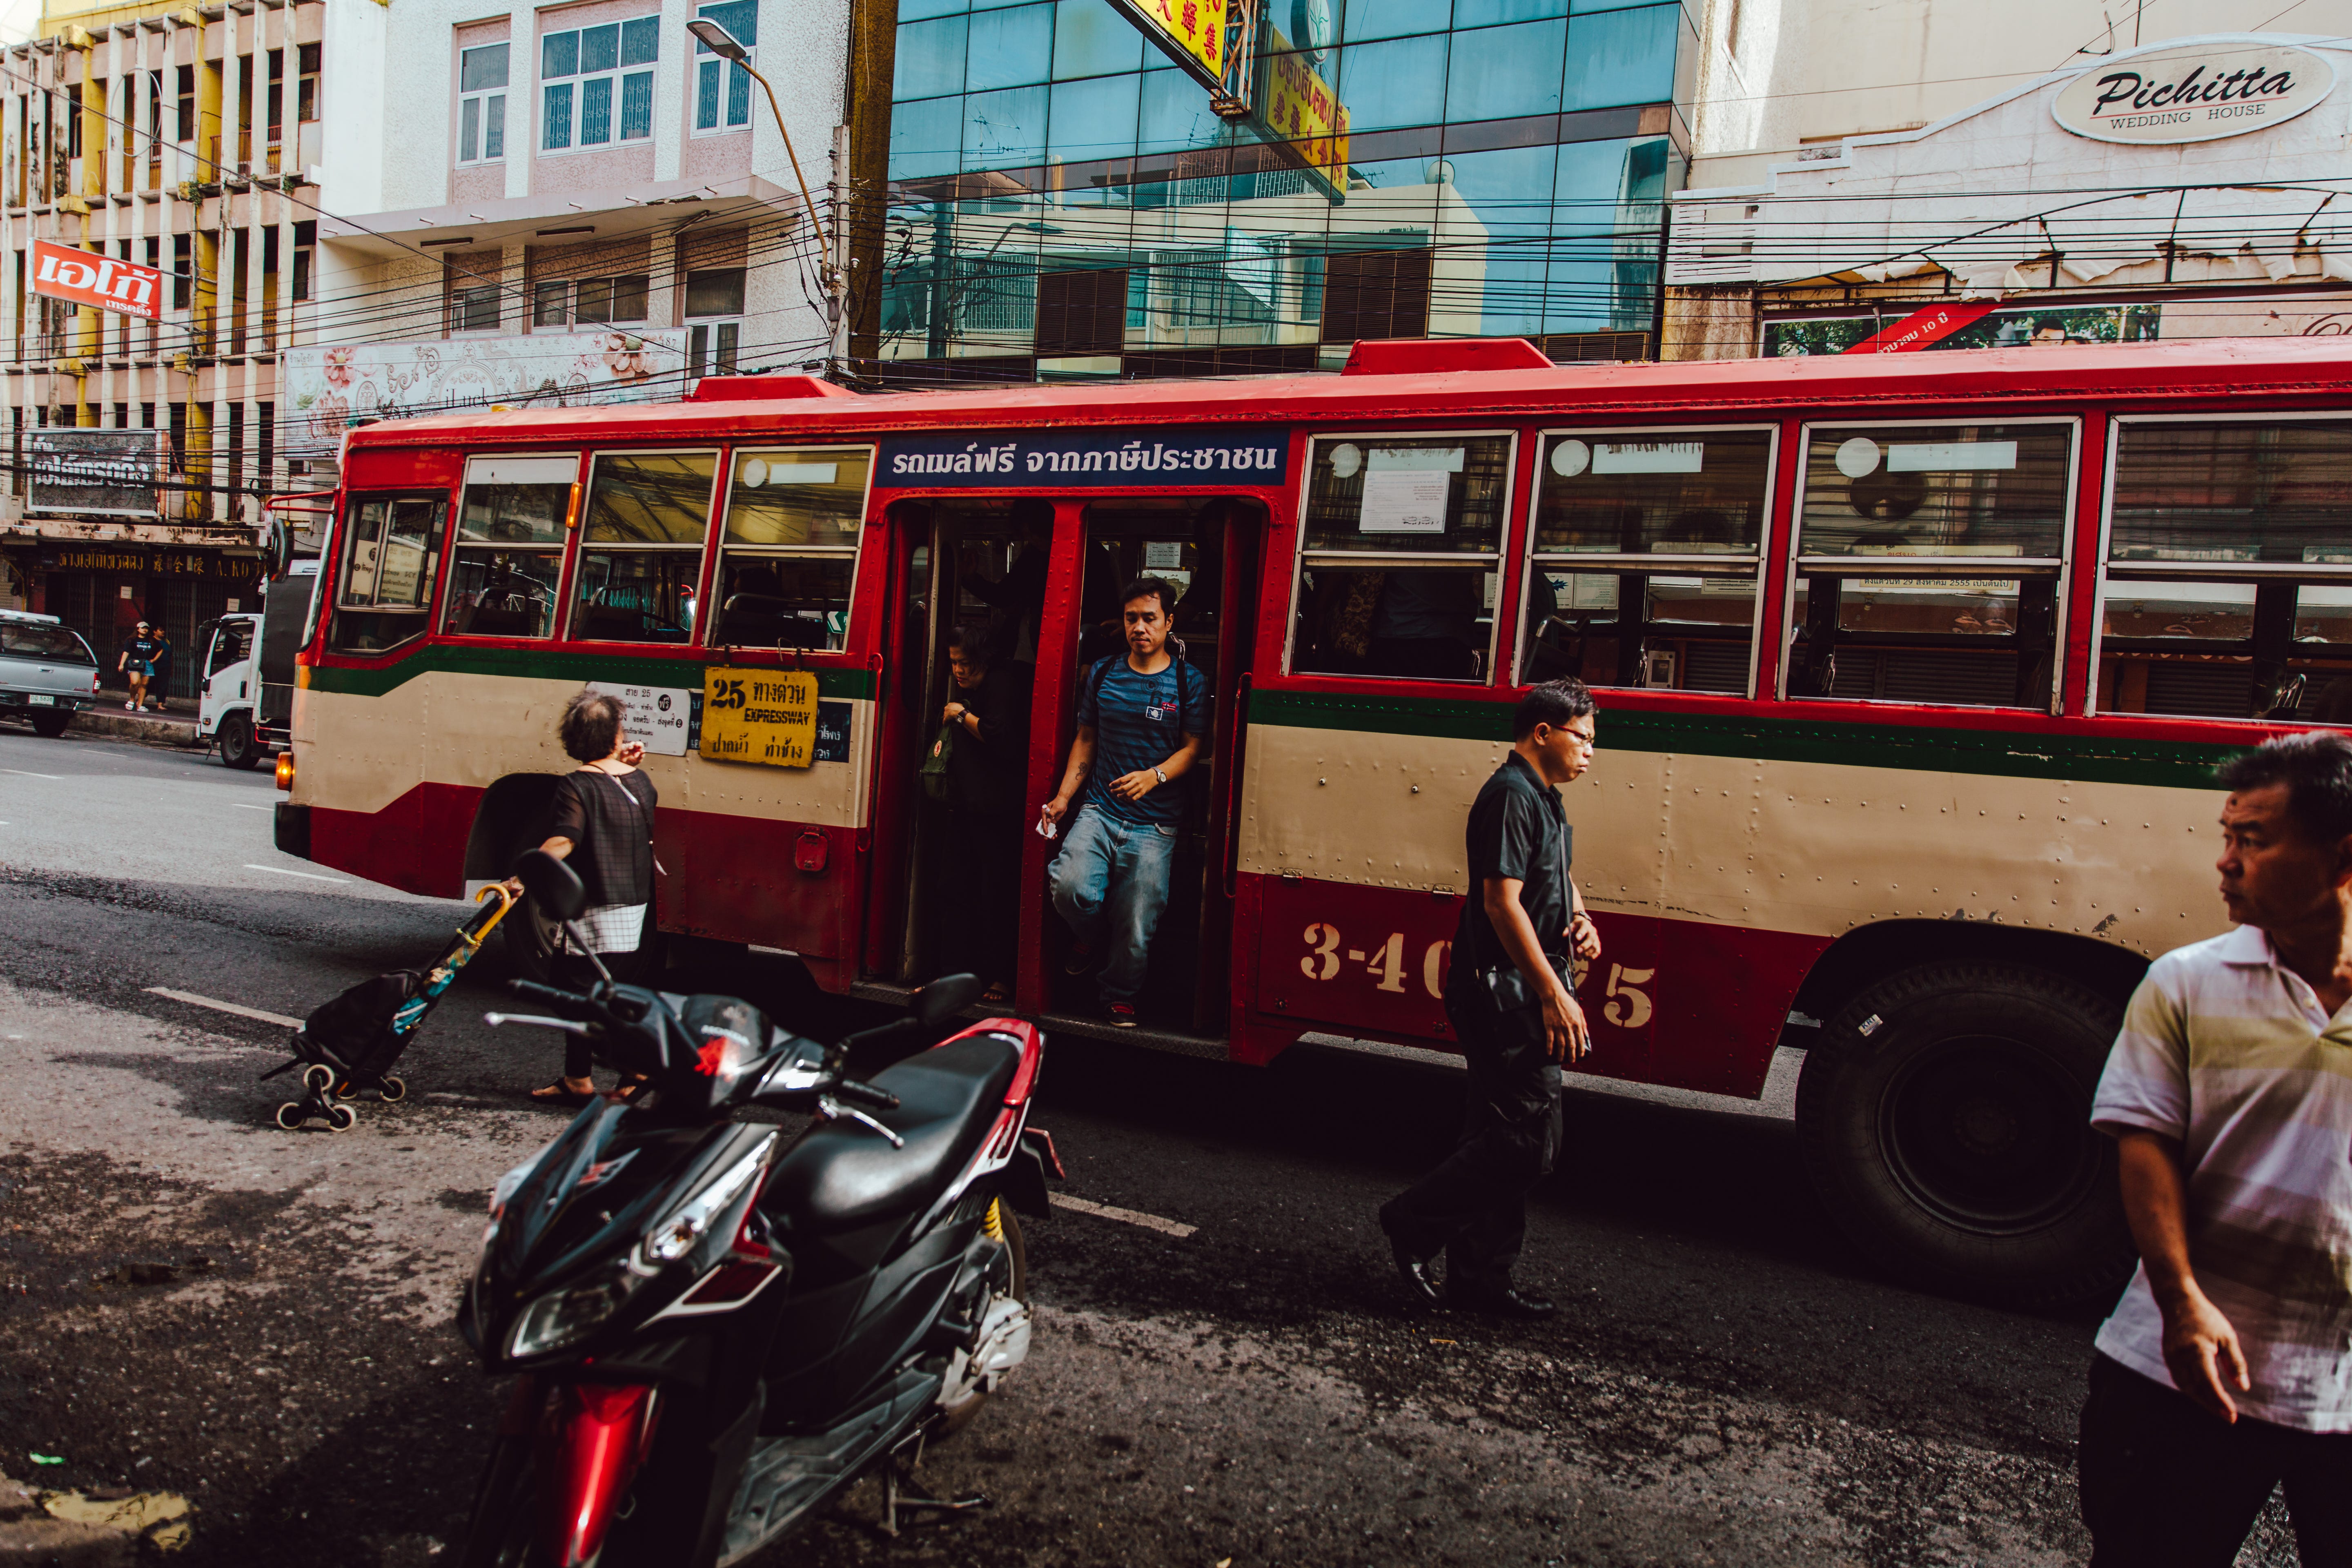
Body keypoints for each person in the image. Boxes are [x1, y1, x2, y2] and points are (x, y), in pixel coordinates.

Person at [2078, 729, 2352, 1564]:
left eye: (2255, 840)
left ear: (2342, 855)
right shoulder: (2185, 982)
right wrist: (2181, 1300)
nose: (2226, 862)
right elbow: (2145, 1143)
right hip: (2175, 1372)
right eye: (2226, 838)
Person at [1378, 679, 1604, 1318]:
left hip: (1514, 990)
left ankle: (1481, 1278)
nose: (1590, 751)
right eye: (1582, 737)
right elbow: (1500, 902)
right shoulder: (1509, 795)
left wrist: (1580, 917)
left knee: (1497, 1131)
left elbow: (1552, 876)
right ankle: (1412, 1222)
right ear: (1543, 734)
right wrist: (1554, 993)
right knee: (1533, 1140)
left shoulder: (1545, 799)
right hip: (1500, 995)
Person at [1041, 577, 1211, 1027]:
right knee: (1069, 887)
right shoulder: (1103, 673)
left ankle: (1118, 993)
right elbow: (1086, 738)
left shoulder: (1188, 681)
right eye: (1132, 618)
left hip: (1156, 826)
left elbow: (1193, 749)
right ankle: (1091, 935)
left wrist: (1154, 776)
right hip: (1100, 809)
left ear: (1168, 622)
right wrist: (1063, 798)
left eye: (1150, 618)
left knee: (1137, 924)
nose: (1140, 627)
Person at [507, 690, 659, 1106]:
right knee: (599, 991)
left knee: (576, 993)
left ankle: (627, 1069)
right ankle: (598, 1075)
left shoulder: (576, 786)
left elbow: (564, 840)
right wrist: (623, 763)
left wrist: (521, 878)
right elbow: (616, 794)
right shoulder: (639, 781)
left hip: (596, 909)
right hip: (635, 906)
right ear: (615, 737)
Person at [937, 622, 1030, 1004]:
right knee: (958, 889)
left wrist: (960, 715)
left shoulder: (1000, 683)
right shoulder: (981, 684)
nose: (958, 671)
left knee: (996, 893)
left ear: (984, 660)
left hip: (997, 810)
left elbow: (998, 736)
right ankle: (956, 975)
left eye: (965, 664)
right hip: (971, 806)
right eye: (954, 664)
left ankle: (1000, 977)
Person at [117, 621, 160, 711]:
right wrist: (122, 664)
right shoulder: (132, 640)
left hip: (147, 664)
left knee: (144, 685)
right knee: (135, 682)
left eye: (146, 628)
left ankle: (140, 705)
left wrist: (154, 659)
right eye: (143, 628)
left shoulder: (151, 640)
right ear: (138, 629)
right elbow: (126, 652)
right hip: (135, 663)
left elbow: (161, 649)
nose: (145, 630)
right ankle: (132, 699)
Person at [147, 627, 173, 712]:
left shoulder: (167, 641)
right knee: (147, 684)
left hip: (165, 666)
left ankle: (160, 704)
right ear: (155, 632)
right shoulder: (151, 641)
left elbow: (170, 655)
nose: (163, 632)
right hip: (153, 666)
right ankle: (139, 701)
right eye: (161, 630)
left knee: (163, 685)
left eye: (164, 630)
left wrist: (171, 668)